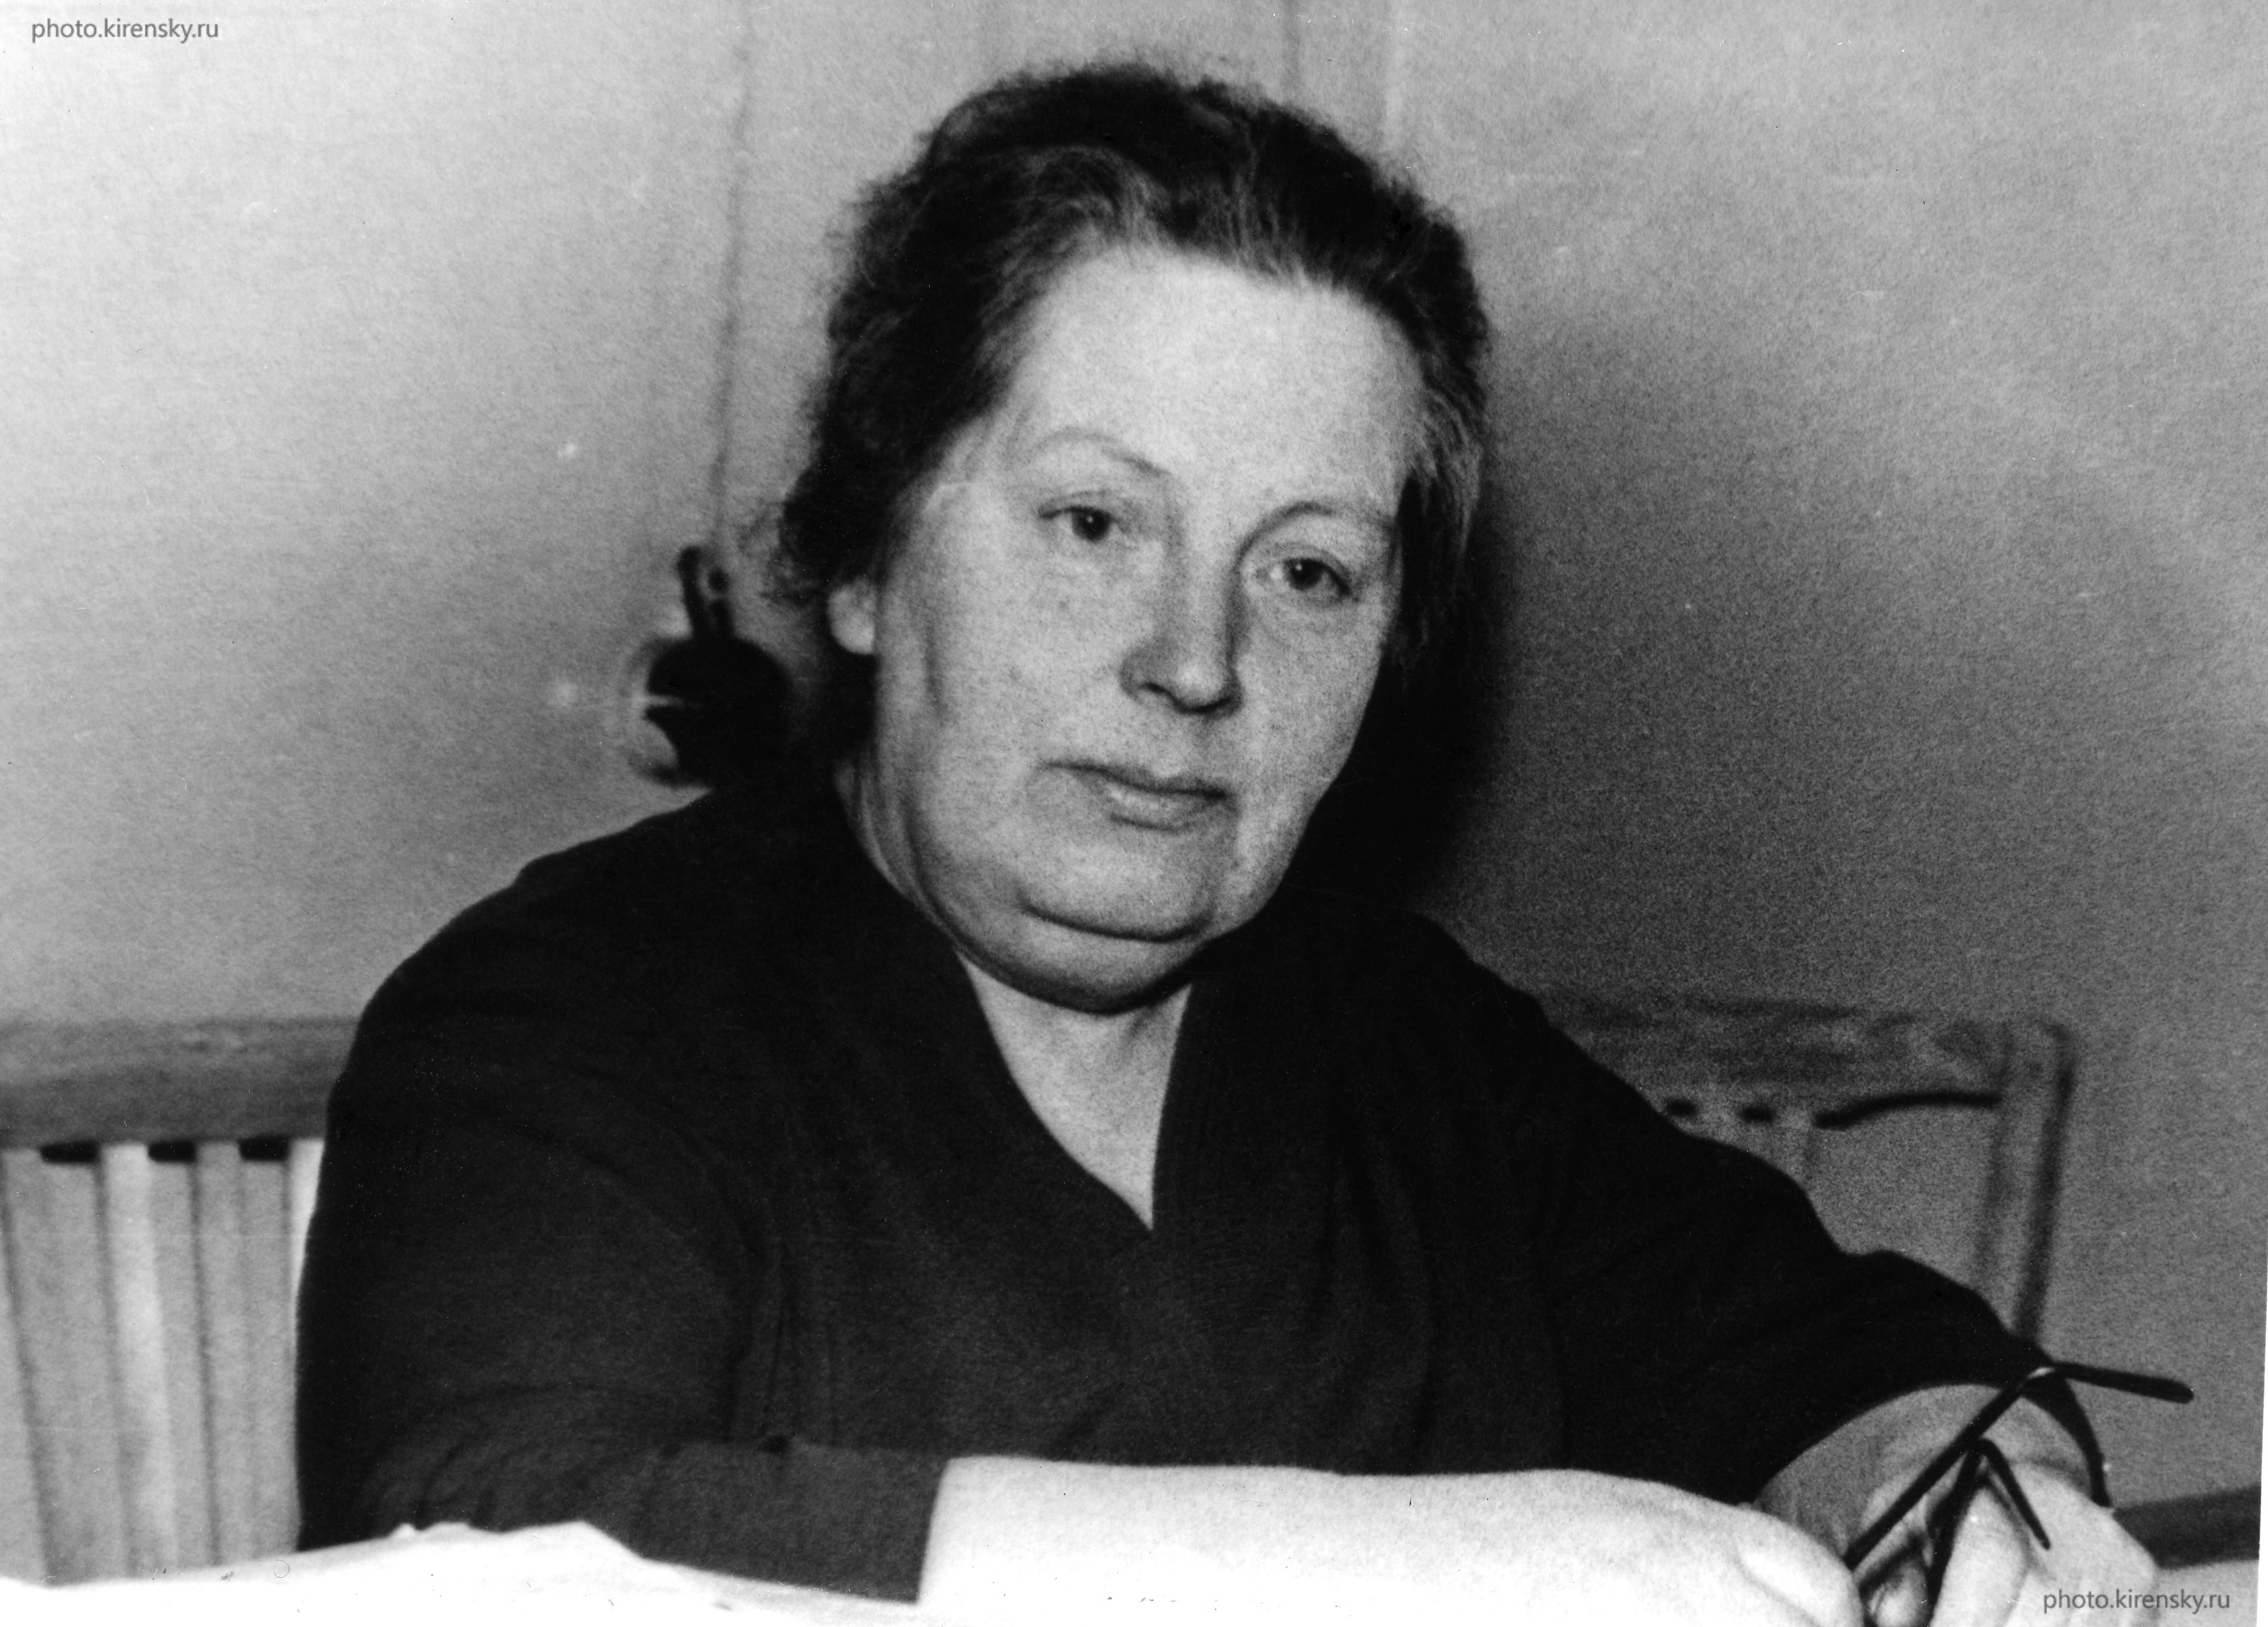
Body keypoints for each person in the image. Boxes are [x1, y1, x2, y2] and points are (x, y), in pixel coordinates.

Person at [296, 63, 2158, 1625]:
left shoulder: (1401, 1038)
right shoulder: (568, 1017)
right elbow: (492, 1541)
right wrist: (1415, 1563)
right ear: (865, 558)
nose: (1195, 659)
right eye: (1094, 523)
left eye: (1309, 572)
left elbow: (1846, 1356)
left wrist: (1957, 1490)